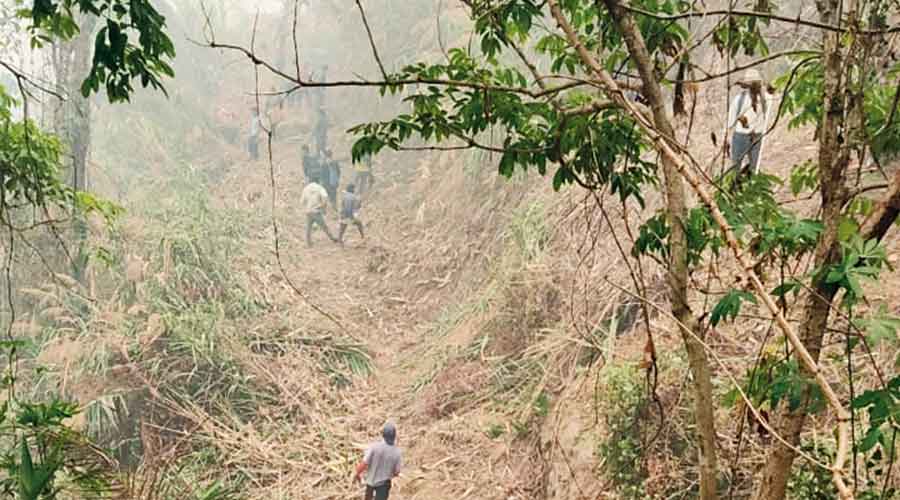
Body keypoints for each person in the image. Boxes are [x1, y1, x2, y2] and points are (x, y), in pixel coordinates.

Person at [725, 69, 772, 177]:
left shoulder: (766, 100)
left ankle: (751, 185)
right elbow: (730, 120)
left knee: (754, 167)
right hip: (740, 136)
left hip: (757, 137)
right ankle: (735, 185)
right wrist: (727, 137)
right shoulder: (739, 99)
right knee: (736, 165)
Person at [354, 422, 402, 500]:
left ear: (383, 435)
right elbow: (397, 472)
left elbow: (364, 463)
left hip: (370, 483)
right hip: (384, 485)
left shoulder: (374, 447)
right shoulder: (397, 452)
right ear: (394, 436)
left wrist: (357, 473)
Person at [300, 176, 338, 247]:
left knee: (308, 228)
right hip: (316, 211)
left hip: (308, 211)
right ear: (318, 181)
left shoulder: (306, 188)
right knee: (324, 226)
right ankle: (332, 238)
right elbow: (325, 197)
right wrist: (322, 206)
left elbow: (302, 201)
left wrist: (307, 207)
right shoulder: (319, 188)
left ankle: (309, 243)